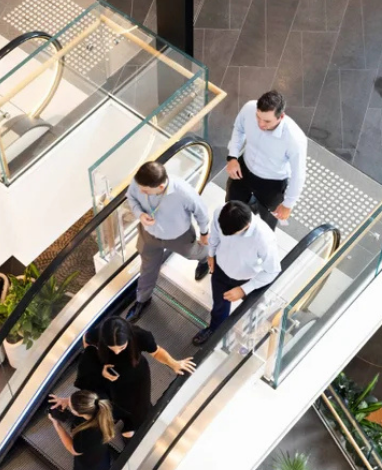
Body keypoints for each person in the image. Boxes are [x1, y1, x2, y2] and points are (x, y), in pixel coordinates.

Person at [79, 317, 196, 437]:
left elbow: (156, 352)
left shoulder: (140, 336)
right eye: (111, 348)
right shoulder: (98, 333)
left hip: (137, 376)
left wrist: (174, 363)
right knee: (117, 400)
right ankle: (125, 420)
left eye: (121, 348)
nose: (117, 353)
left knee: (140, 404)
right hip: (112, 377)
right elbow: (86, 340)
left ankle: (135, 423)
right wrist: (99, 367)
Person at [126, 161, 211, 321]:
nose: (140, 191)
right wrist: (139, 214)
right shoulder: (139, 182)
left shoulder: (183, 192)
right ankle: (143, 300)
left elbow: (201, 211)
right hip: (149, 235)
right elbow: (131, 197)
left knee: (193, 253)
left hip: (179, 236)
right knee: (147, 268)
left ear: (160, 187)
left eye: (145, 191)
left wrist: (204, 233)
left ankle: (204, 259)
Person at [193, 201, 281, 345]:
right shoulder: (220, 212)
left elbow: (273, 271)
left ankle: (257, 327)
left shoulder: (264, 238)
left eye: (233, 234)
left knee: (255, 307)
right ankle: (215, 329)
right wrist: (211, 253)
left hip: (246, 278)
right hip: (220, 270)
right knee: (219, 304)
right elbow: (215, 234)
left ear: (246, 226)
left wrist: (243, 289)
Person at [225, 90, 307, 230]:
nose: (261, 124)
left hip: (272, 183)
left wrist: (288, 204)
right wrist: (232, 156)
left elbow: (298, 174)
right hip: (245, 169)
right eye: (258, 117)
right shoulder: (250, 108)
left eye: (267, 121)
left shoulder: (294, 139)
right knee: (231, 205)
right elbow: (239, 129)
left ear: (281, 116)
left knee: (267, 219)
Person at [47, 390, 115, 470]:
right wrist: (65, 400)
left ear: (79, 413)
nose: (67, 404)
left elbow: (73, 450)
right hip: (102, 455)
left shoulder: (86, 434)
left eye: (70, 407)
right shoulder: (98, 400)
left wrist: (56, 424)